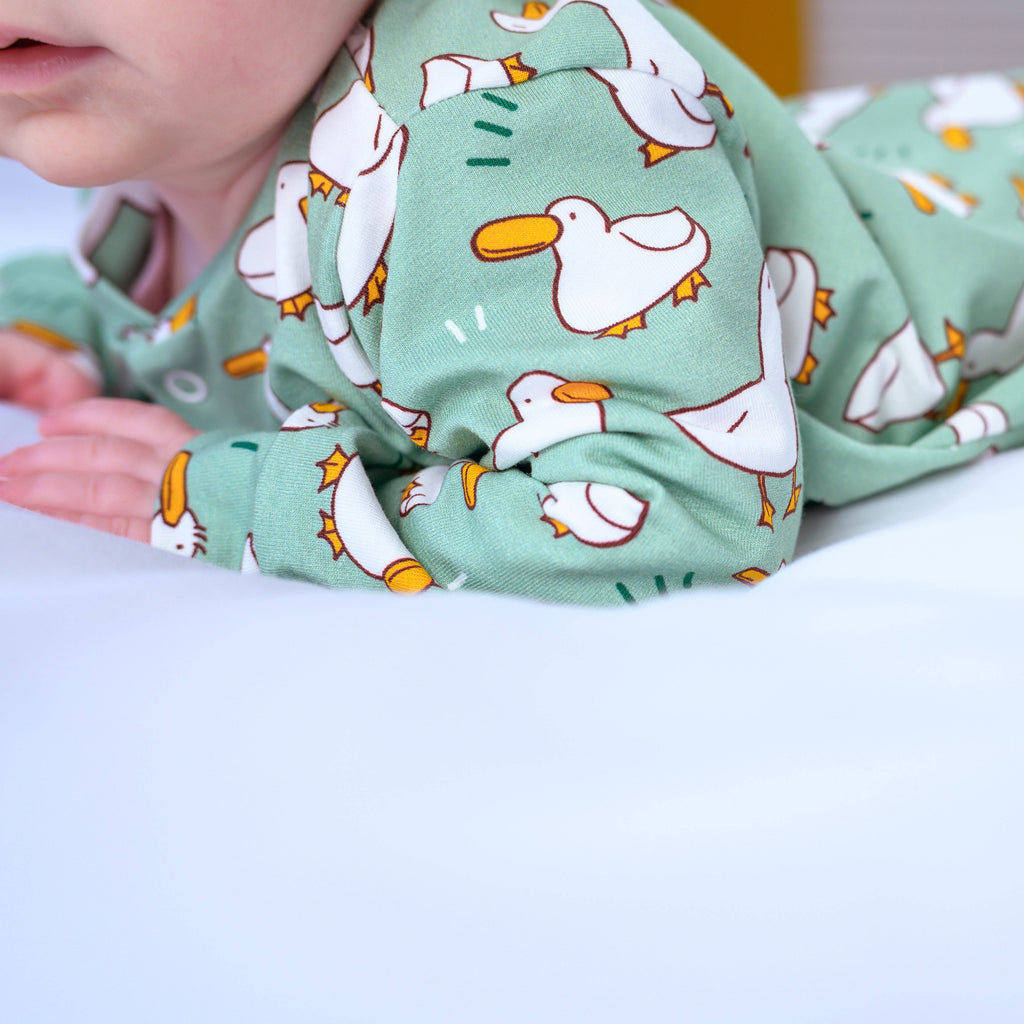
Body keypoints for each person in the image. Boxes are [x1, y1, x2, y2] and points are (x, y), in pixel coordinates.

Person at [0, 0, 1021, 605]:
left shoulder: (513, 116)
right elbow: (282, 294)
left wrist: (237, 510)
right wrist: (77, 318)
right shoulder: (153, 95)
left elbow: (679, 513)